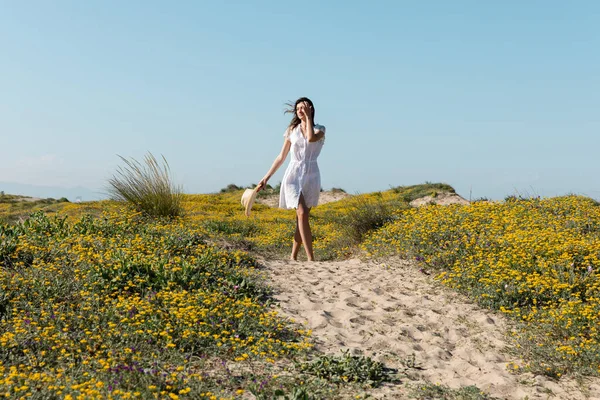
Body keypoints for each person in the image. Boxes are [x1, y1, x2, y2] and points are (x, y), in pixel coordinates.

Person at [257, 97, 326, 261]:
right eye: (298, 109)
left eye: (304, 108)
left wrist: (309, 119)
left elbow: (310, 139)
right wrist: (266, 178)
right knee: (301, 213)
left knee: (301, 218)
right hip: (293, 175)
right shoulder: (291, 131)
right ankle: (311, 259)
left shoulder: (320, 129)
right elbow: (281, 157)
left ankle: (293, 257)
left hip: (312, 175)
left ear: (311, 109)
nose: (300, 111)